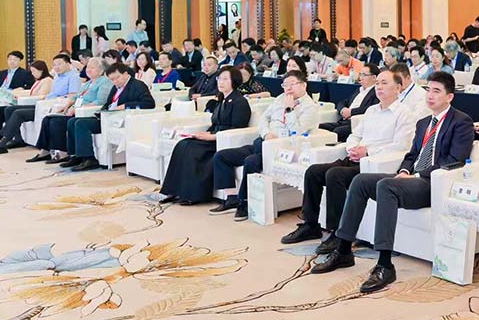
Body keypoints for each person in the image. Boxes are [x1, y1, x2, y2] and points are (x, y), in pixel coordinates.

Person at [310, 72, 474, 293]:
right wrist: (405, 170)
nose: (430, 95)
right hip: (411, 178)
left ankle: (385, 264)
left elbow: (455, 160)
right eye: (428, 90)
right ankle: (344, 249)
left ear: (450, 96)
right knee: (360, 181)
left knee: (386, 186)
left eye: (437, 91)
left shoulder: (461, 121)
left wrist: (417, 175)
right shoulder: (424, 122)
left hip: (432, 183)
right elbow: (412, 154)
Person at [283, 69, 416, 246]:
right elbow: (355, 135)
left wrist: (367, 151)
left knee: (335, 175)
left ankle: (337, 232)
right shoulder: (371, 111)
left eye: (384, 83)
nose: (379, 87)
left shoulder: (405, 114)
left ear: (398, 88)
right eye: (377, 83)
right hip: (354, 157)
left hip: (374, 163)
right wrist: (353, 148)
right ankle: (310, 224)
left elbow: (401, 146)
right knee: (313, 171)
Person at [210, 70, 320, 220]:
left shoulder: (310, 108)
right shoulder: (280, 99)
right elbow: (264, 119)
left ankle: (244, 203)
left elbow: (296, 133)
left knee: (251, 161)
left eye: (292, 84)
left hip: (281, 149)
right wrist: (266, 133)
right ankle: (231, 199)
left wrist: (289, 110)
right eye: (285, 85)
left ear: (304, 85)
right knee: (222, 156)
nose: (288, 88)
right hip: (263, 142)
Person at [160, 66, 252, 204]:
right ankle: (174, 190)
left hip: (224, 140)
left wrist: (213, 136)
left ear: (234, 81)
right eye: (219, 78)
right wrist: (204, 133)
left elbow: (236, 128)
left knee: (192, 150)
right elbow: (215, 123)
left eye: (225, 79)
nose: (221, 82)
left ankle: (193, 194)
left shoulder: (240, 102)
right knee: (182, 145)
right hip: (213, 136)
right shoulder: (221, 99)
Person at [65, 63, 156, 172]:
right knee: (72, 121)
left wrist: (126, 106)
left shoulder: (138, 85)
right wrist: (101, 111)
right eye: (112, 79)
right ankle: (75, 155)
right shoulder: (115, 87)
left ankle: (89, 159)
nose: (115, 81)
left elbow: (149, 103)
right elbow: (109, 103)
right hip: (107, 117)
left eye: (117, 78)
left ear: (126, 74)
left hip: (119, 120)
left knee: (81, 124)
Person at [0, 54, 80, 156]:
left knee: (18, 113)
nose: (56, 67)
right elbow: (49, 94)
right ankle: (17, 139)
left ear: (68, 63)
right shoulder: (57, 77)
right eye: (54, 65)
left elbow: (72, 96)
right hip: (43, 104)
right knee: (9, 109)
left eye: (59, 64)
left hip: (52, 106)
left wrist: (51, 100)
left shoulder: (73, 77)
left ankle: (2, 144)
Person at [26, 57, 113, 164]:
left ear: (101, 70)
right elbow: (76, 97)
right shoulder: (88, 83)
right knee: (47, 119)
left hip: (88, 113)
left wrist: (78, 109)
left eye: (92, 67)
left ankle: (64, 154)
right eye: (87, 67)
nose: (88, 70)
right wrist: (67, 105)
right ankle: (45, 151)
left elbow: (100, 101)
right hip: (77, 110)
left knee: (56, 122)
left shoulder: (105, 82)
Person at [0, 60, 53, 148]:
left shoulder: (47, 80)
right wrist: (17, 93)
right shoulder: (39, 80)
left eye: (34, 71)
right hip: (29, 102)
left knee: (14, 111)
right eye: (31, 71)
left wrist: (22, 97)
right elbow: (31, 92)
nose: (32, 74)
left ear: (41, 70)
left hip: (36, 105)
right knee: (3, 109)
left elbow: (41, 96)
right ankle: (11, 137)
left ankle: (2, 138)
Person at [319, 63, 380, 142]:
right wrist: (342, 109)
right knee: (321, 127)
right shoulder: (359, 90)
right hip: (344, 121)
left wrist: (351, 112)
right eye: (360, 74)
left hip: (357, 123)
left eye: (364, 75)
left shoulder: (377, 92)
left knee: (338, 132)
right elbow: (344, 102)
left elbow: (371, 108)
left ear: (374, 77)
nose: (360, 78)